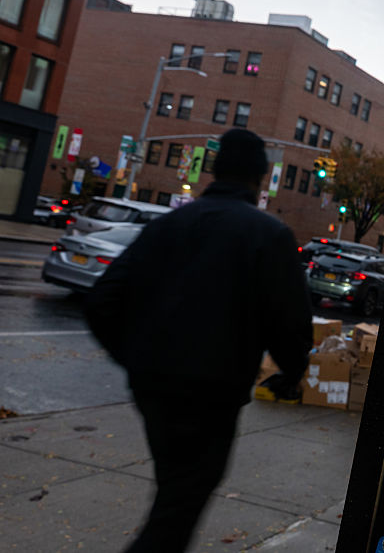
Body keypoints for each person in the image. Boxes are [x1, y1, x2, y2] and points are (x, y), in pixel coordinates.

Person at [85, 128, 312, 552]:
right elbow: (290, 321)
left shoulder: (167, 226)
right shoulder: (269, 235)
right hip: (212, 394)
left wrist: (136, 359)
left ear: (214, 170)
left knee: (175, 493)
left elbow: (102, 300)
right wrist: (292, 372)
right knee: (178, 507)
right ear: (261, 177)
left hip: (154, 389)